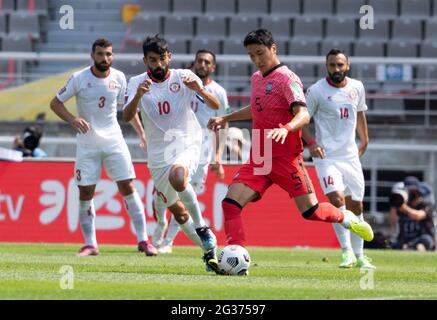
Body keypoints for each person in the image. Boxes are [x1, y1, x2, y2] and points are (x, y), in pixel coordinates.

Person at [208, 29, 374, 275]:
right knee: (231, 203)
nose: (256, 58)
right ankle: (236, 255)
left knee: (312, 211)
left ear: (273, 49)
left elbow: (304, 114)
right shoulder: (256, 78)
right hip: (261, 154)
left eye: (260, 53)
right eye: (252, 54)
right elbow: (257, 109)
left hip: (287, 157)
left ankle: (347, 218)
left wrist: (286, 128)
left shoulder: (288, 79)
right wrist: (226, 117)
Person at [50, 38, 157, 257]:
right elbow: (55, 103)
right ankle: (90, 244)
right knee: (86, 193)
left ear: (113, 56)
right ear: (93, 56)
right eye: (100, 54)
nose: (105, 58)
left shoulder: (119, 78)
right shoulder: (79, 78)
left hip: (114, 141)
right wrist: (72, 119)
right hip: (87, 144)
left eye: (108, 54)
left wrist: (141, 133)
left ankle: (144, 240)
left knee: (128, 187)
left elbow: (129, 108)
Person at [122, 35, 221, 272]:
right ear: (145, 60)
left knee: (179, 178)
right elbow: (126, 116)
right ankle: (209, 253)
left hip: (187, 142)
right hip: (157, 155)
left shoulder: (183, 77)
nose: (157, 65)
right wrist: (137, 96)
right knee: (178, 210)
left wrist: (199, 89)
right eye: (152, 60)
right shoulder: (136, 82)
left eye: (162, 59)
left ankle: (203, 226)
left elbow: (215, 105)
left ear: (170, 57)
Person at [301, 49, 375, 269]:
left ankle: (360, 256)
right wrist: (312, 143)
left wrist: (365, 140)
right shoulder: (316, 91)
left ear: (347, 65)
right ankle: (346, 253)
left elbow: (360, 113)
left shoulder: (357, 87)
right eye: (332, 65)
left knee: (356, 206)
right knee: (337, 201)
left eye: (340, 65)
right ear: (327, 66)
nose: (336, 69)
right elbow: (302, 120)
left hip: (350, 156)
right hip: (327, 157)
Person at [151, 49, 229, 254]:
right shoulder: (182, 83)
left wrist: (217, 156)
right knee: (160, 196)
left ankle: (168, 241)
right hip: (174, 144)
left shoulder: (218, 92)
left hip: (200, 151)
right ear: (194, 63)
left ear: (213, 67)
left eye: (207, 62)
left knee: (183, 195)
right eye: (199, 60)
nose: (202, 64)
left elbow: (223, 124)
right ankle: (160, 224)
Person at [389, 176, 436, 251]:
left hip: (422, 237)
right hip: (404, 238)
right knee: (390, 244)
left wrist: (404, 208)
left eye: (412, 191)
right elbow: (392, 221)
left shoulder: (426, 205)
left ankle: (412, 248)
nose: (411, 193)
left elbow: (418, 216)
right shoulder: (401, 206)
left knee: (423, 243)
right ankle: (407, 247)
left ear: (418, 191)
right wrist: (395, 203)